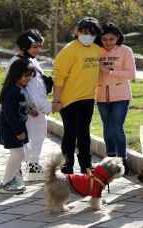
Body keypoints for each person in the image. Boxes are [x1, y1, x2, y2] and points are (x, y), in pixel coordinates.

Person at [52, 17, 102, 174]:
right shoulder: (68, 50)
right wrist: (56, 100)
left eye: (92, 33)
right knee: (70, 133)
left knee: (84, 133)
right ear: (77, 32)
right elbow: (59, 77)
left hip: (87, 98)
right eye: (84, 32)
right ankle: (67, 164)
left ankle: (86, 165)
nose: (88, 35)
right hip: (69, 100)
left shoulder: (96, 49)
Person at [7, 29, 52, 181]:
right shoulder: (18, 62)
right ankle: (16, 174)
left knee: (38, 137)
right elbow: (24, 89)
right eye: (35, 47)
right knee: (25, 142)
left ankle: (33, 169)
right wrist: (41, 107)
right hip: (28, 110)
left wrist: (46, 85)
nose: (38, 50)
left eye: (40, 46)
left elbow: (36, 84)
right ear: (24, 47)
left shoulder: (31, 59)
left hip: (36, 109)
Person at [96, 22, 136, 175]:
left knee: (117, 127)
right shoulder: (96, 51)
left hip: (121, 95)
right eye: (104, 39)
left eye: (111, 39)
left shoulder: (126, 51)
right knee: (107, 127)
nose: (108, 42)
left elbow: (131, 74)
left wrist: (110, 70)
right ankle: (110, 160)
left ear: (118, 38)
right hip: (101, 95)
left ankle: (122, 160)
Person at [0, 58, 35, 194]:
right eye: (26, 75)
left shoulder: (20, 89)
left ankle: (12, 179)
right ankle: (6, 183)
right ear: (16, 74)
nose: (28, 78)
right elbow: (9, 114)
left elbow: (22, 105)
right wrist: (18, 131)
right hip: (9, 127)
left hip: (17, 126)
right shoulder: (12, 91)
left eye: (30, 75)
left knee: (19, 154)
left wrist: (31, 110)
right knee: (18, 154)